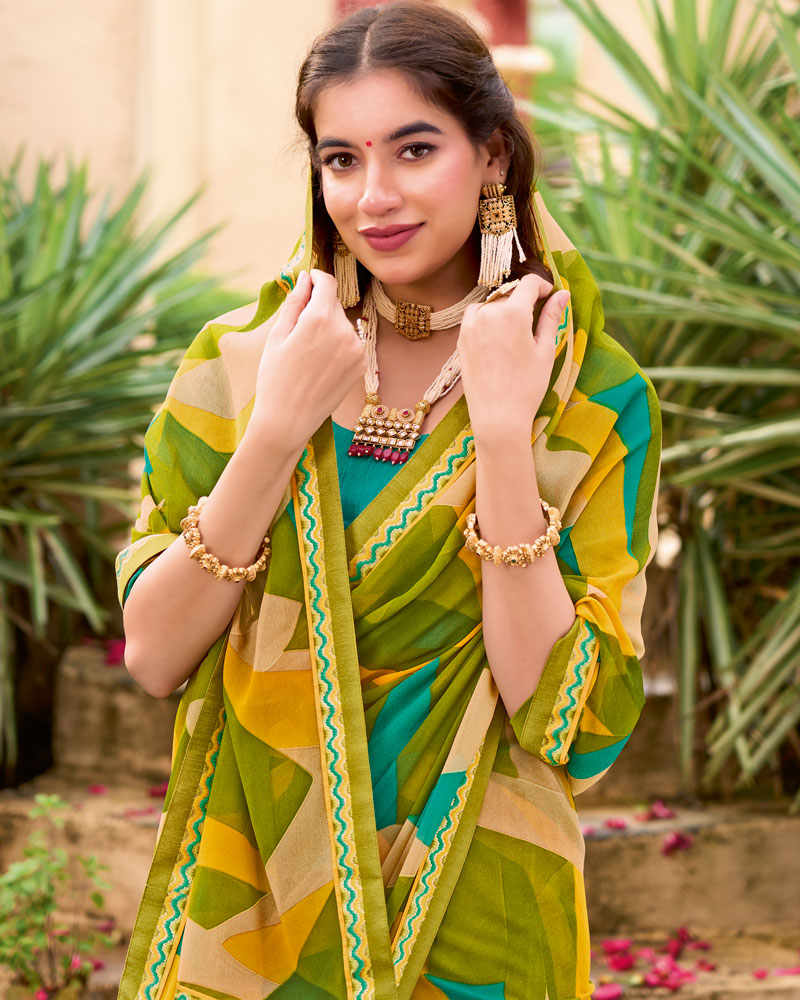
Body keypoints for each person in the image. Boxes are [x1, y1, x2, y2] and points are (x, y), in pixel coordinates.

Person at [115, 3, 661, 998]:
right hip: (258, 907)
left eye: (414, 150)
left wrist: (503, 436)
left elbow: (570, 725)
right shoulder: (239, 367)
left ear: (491, 154)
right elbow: (153, 656)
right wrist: (276, 429)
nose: (373, 197)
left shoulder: (587, 393)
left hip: (482, 906)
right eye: (341, 160)